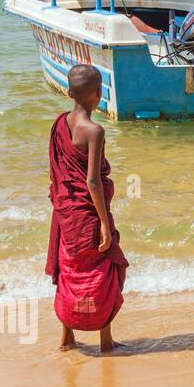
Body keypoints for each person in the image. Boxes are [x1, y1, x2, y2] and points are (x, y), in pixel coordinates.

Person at [47, 64, 129, 353]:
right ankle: (105, 339)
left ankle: (67, 337)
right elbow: (92, 181)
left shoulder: (59, 123)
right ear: (99, 93)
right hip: (89, 212)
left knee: (70, 268)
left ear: (70, 93)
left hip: (67, 211)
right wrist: (105, 223)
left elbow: (58, 172)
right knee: (103, 268)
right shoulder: (94, 131)